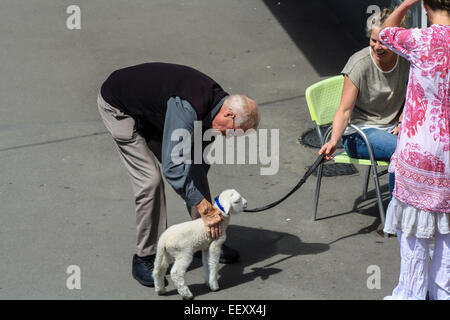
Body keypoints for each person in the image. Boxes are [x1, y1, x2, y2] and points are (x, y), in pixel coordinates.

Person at [97, 62, 260, 287]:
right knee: (150, 181)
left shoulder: (218, 110)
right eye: (234, 132)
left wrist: (205, 214)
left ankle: (205, 235)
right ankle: (145, 256)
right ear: (229, 114)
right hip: (120, 108)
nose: (231, 138)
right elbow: (173, 168)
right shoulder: (189, 106)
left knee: (194, 168)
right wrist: (204, 207)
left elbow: (197, 164)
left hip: (154, 114)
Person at [377, 0, 450, 300]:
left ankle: (412, 293)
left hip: (419, 147)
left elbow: (384, 34)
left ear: (427, 6)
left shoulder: (420, 40)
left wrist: (406, 3)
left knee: (412, 232)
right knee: (447, 234)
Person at [319, 8, 410, 200]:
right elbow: (344, 110)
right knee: (402, 152)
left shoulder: (406, 60)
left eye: (384, 42)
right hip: (360, 134)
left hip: (392, 129)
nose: (377, 47)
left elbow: (410, 97)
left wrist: (402, 121)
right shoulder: (359, 64)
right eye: (373, 40)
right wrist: (334, 141)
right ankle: (396, 219)